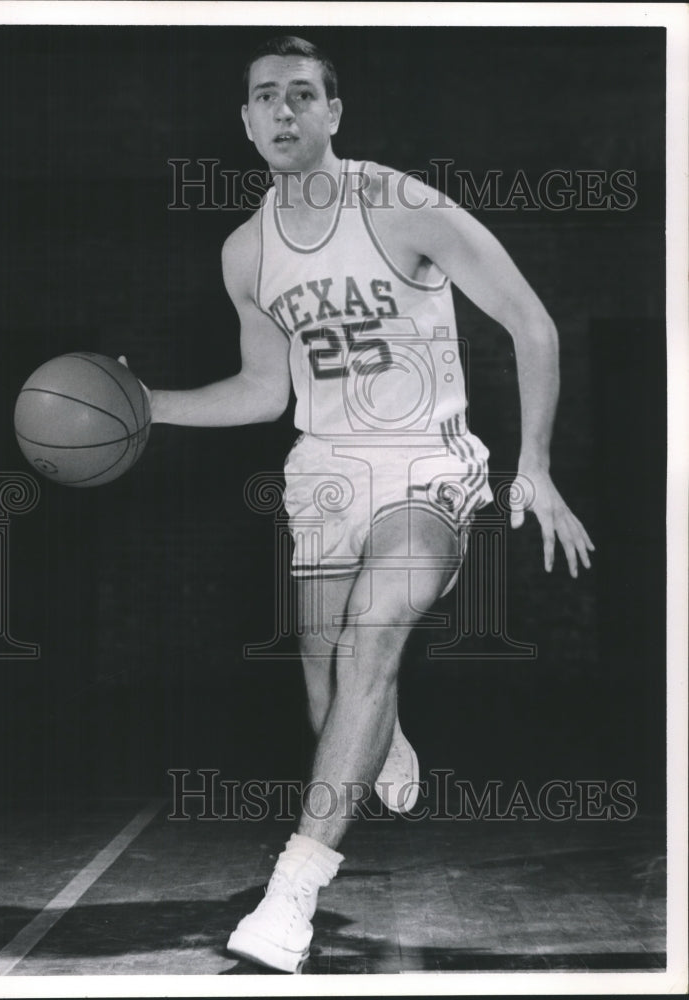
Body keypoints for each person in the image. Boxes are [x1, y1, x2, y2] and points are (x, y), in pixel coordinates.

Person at [125, 34, 595, 973]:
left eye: (303, 94)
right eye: (265, 97)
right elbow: (266, 390)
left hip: (426, 461)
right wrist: (149, 406)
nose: (284, 110)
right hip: (326, 469)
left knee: (370, 637)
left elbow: (528, 322)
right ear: (247, 121)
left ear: (333, 113)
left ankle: (292, 892)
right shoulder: (245, 251)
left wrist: (534, 463)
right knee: (324, 683)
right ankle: (382, 728)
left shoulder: (401, 204)